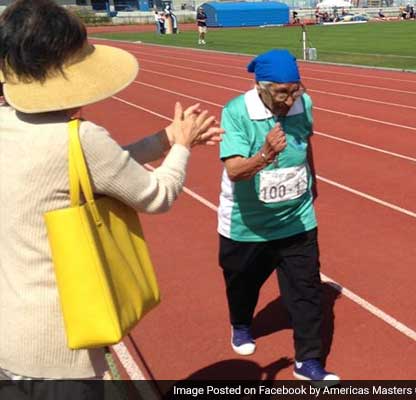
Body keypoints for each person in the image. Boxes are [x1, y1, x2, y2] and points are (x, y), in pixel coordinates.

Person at [0, 0, 223, 389]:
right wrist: (183, 146)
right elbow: (157, 195)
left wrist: (165, 139)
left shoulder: (8, 125)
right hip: (61, 350)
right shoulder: (80, 138)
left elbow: (88, 169)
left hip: (8, 339)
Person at [216, 49, 339, 384]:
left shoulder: (303, 103)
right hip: (247, 225)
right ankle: (240, 324)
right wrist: (265, 154)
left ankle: (308, 361)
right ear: (261, 87)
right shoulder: (236, 111)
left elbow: (306, 144)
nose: (289, 98)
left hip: (296, 220)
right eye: (282, 92)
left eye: (295, 89)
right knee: (242, 286)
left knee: (307, 291)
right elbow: (235, 170)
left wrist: (312, 180)